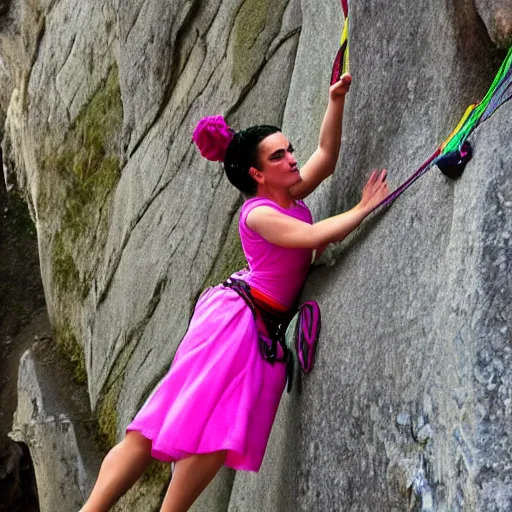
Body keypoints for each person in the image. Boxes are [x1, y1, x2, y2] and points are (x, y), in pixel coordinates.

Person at [80, 73, 389, 512]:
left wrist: (334, 100)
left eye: (288, 149)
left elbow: (326, 155)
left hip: (249, 320)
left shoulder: (289, 194)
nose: (291, 159)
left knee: (209, 429)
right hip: (237, 321)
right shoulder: (259, 214)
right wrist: (361, 208)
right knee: (167, 423)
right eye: (278, 155)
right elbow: (315, 234)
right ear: (256, 173)